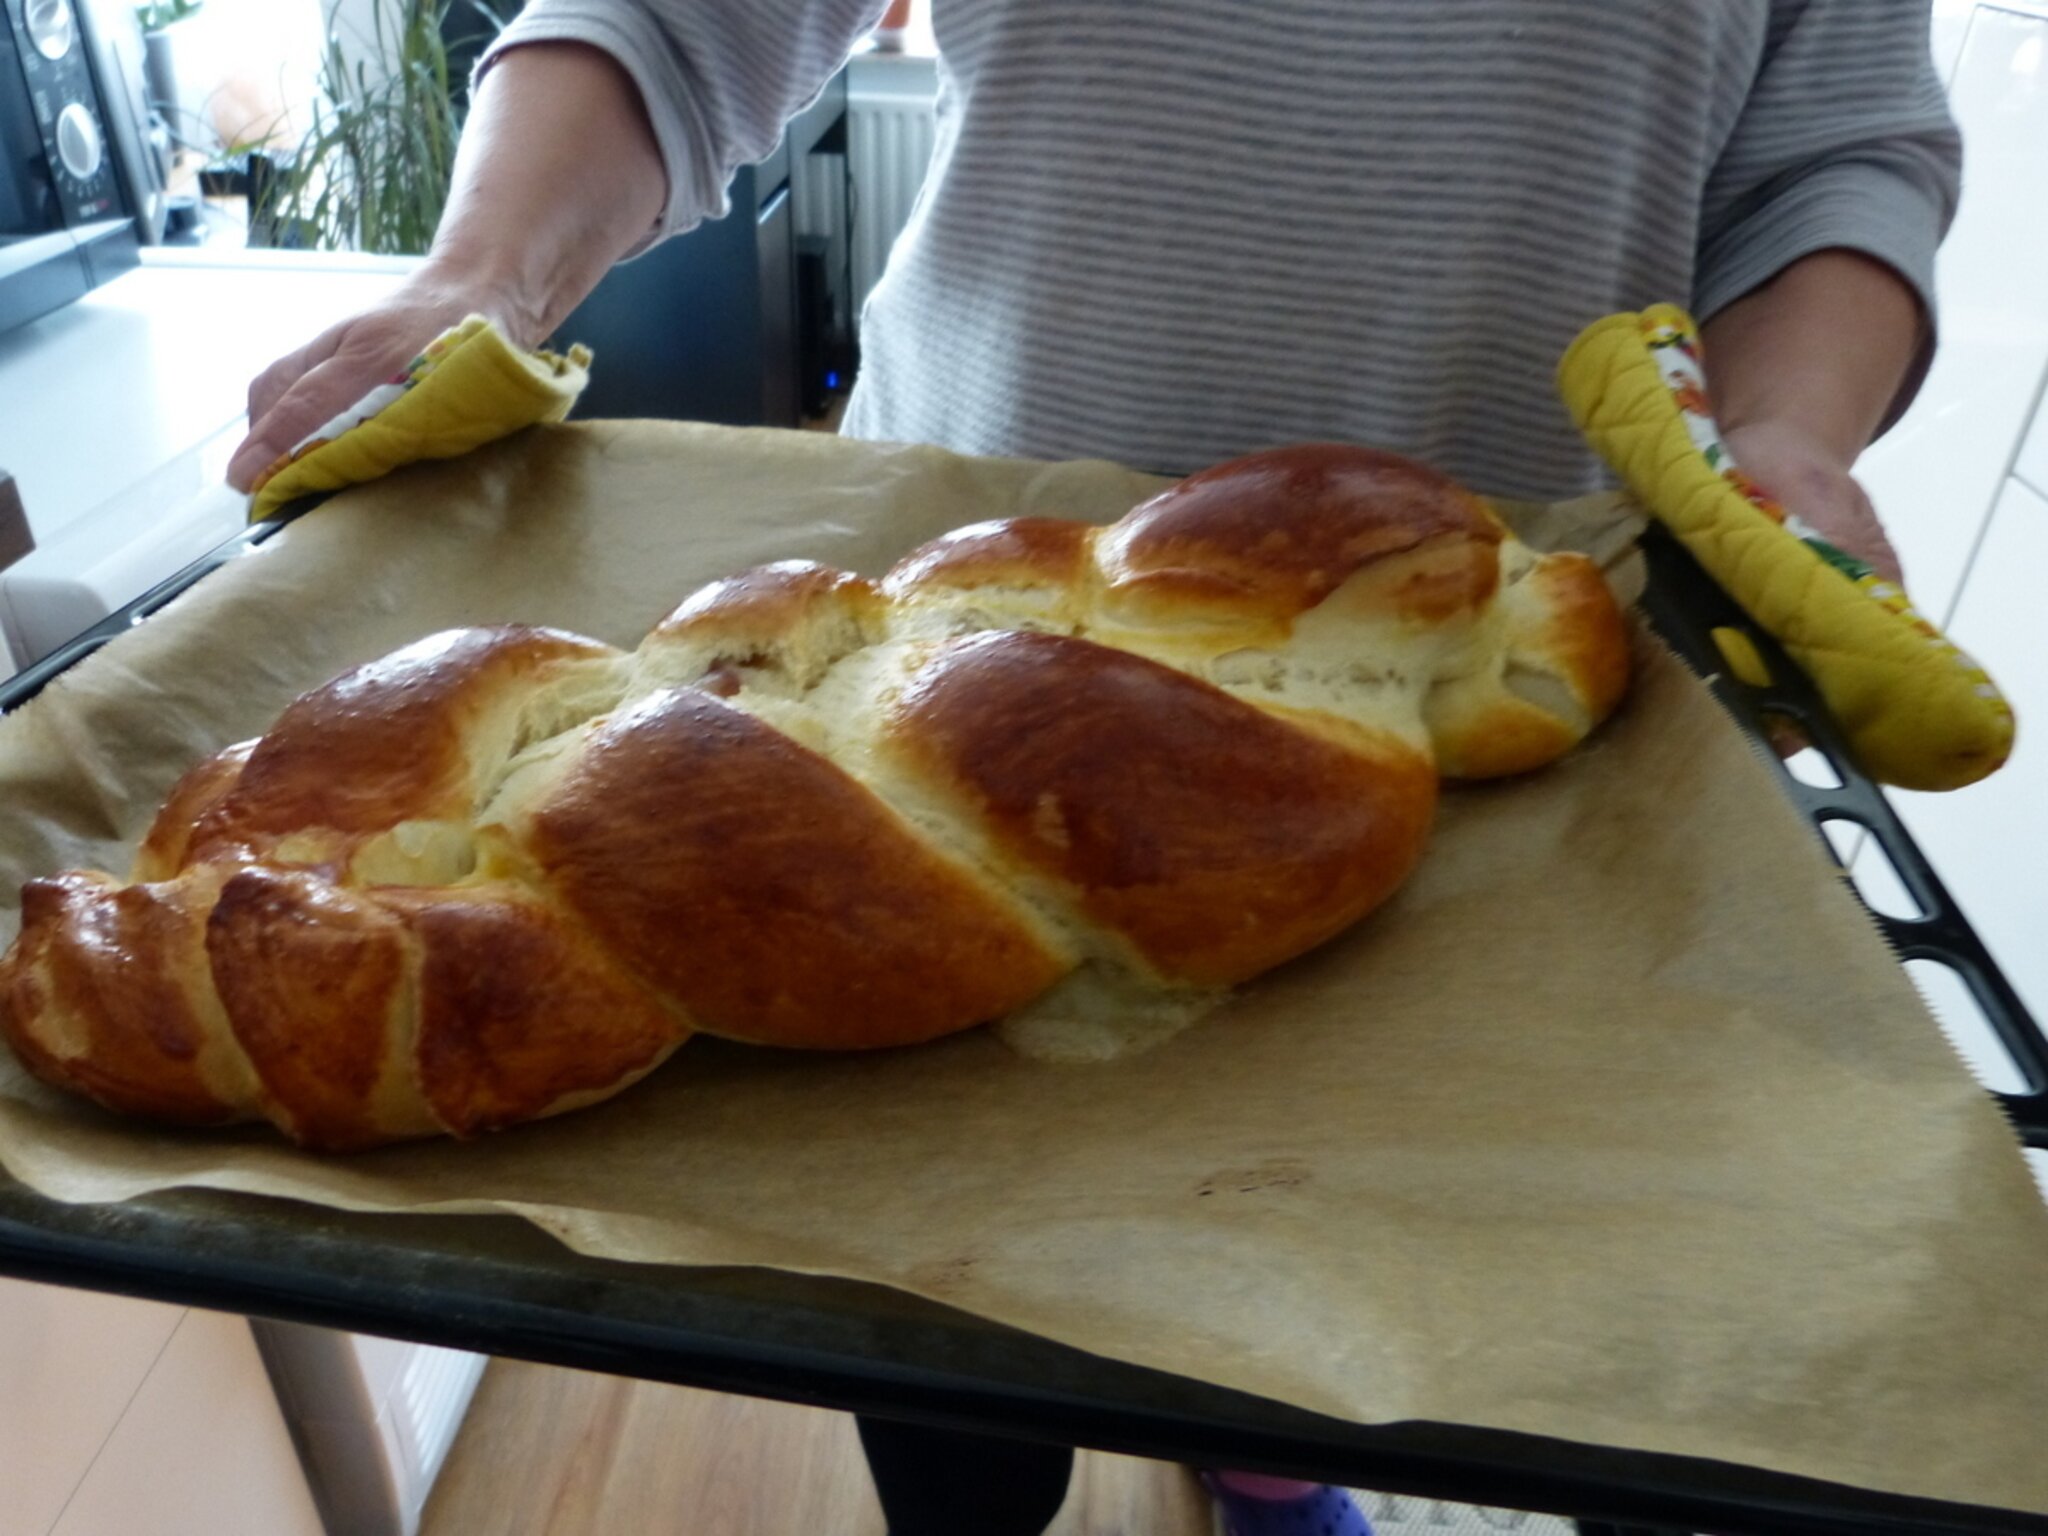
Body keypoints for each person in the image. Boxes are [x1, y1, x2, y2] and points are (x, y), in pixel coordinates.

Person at [228, 4, 1961, 1531]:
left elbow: (1838, 162)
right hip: (938, 613)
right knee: (927, 1278)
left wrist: (1789, 434)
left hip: (1468, 648)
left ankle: (1271, 1470)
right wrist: (478, 283)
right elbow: (677, 22)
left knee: (1321, 1216)